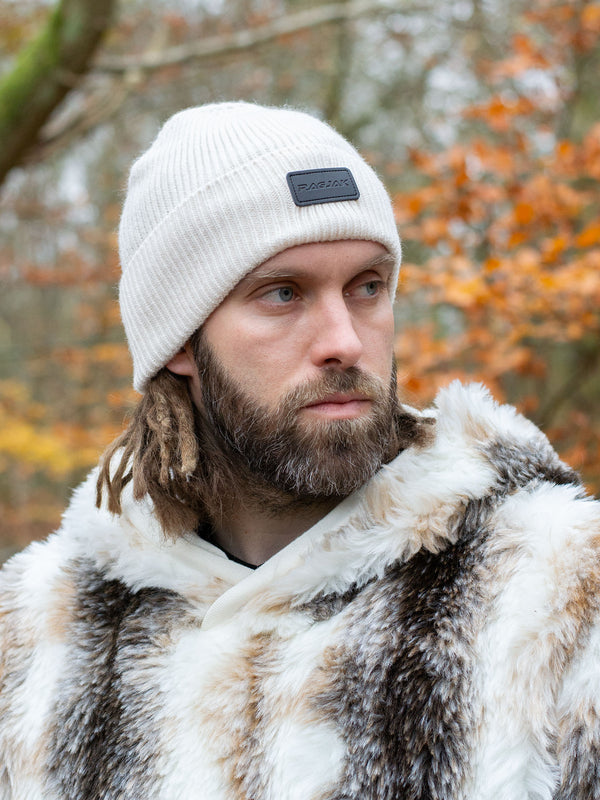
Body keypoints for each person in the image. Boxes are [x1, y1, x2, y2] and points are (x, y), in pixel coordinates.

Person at [1, 101, 599, 800]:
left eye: (367, 286)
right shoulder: (35, 635)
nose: (345, 338)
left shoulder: (561, 593)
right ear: (182, 343)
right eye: (283, 293)